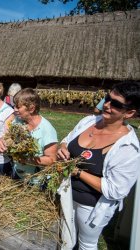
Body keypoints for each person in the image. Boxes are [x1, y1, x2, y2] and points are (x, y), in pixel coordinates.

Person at [57, 81, 140, 250]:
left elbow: (116, 190)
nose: (107, 105)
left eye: (116, 104)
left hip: (90, 205)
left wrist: (77, 172)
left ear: (129, 113)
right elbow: (67, 139)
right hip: (66, 192)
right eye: (107, 98)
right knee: (65, 238)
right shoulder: (88, 121)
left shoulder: (128, 148)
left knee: (86, 244)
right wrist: (63, 148)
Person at [2, 88, 58, 183]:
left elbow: (52, 160)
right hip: (18, 174)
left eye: (18, 107)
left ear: (31, 108)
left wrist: (27, 160)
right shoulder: (17, 122)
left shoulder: (47, 129)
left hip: (36, 181)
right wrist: (4, 142)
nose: (14, 109)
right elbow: (8, 137)